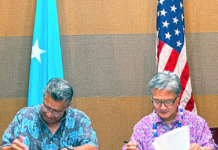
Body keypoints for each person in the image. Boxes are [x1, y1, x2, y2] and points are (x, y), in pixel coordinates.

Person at [123, 71, 218, 150]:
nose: (162, 107)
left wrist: (201, 149)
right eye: (157, 101)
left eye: (168, 101)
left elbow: (211, 147)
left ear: (178, 98)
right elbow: (131, 147)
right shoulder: (142, 126)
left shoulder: (197, 123)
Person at [1, 78, 99, 150]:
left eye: (56, 111)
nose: (49, 115)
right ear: (43, 97)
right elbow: (4, 147)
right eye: (46, 107)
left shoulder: (79, 119)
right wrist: (11, 149)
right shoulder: (23, 116)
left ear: (67, 106)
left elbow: (92, 147)